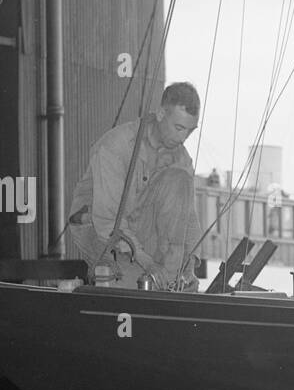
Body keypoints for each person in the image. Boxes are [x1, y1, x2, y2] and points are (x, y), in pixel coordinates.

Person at [68, 81, 202, 289]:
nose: (183, 138)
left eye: (190, 131)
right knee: (134, 291)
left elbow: (189, 217)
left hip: (139, 231)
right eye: (178, 128)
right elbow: (108, 222)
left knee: (180, 180)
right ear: (160, 114)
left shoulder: (181, 159)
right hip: (101, 232)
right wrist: (148, 264)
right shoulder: (115, 147)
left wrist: (190, 263)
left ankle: (170, 280)